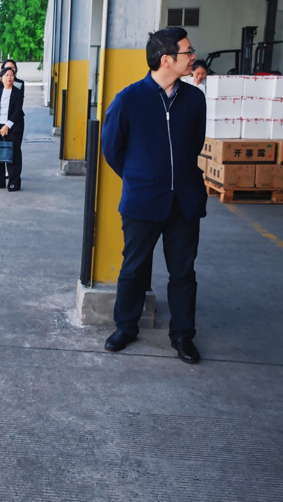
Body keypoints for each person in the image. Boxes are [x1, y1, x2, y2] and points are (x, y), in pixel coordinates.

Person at [100, 26, 207, 364]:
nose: (193, 57)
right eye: (188, 52)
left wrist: (177, 178)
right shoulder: (129, 99)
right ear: (166, 59)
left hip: (184, 201)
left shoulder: (195, 99)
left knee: (184, 272)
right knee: (133, 268)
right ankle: (125, 327)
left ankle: (183, 335)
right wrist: (140, 177)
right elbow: (111, 149)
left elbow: (194, 144)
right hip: (143, 201)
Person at [0, 66, 25, 191]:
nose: (9, 77)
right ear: (1, 78)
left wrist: (7, 126)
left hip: (13, 127)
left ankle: (14, 182)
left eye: (12, 75)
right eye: (7, 75)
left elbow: (17, 111)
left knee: (13, 153)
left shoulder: (17, 93)